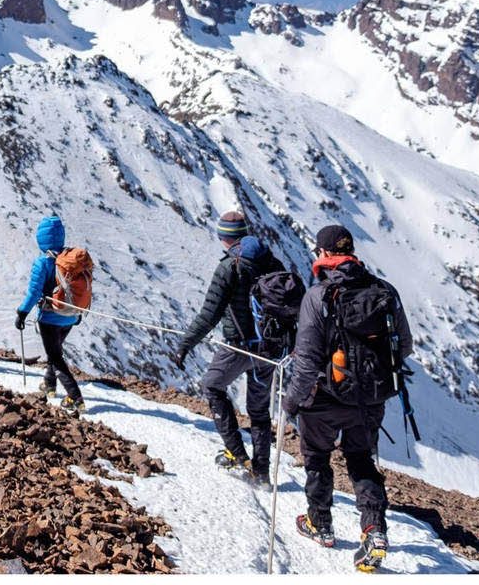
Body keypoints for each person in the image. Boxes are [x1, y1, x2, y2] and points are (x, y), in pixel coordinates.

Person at [283, 224, 413, 571]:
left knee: (317, 458)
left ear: (324, 255)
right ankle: (374, 531)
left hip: (323, 399)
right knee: (360, 460)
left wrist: (291, 401)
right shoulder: (385, 291)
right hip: (369, 398)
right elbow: (405, 344)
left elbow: (307, 359)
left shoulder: (317, 296)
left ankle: (320, 524)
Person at [171, 211, 285, 486]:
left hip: (238, 347)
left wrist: (185, 344)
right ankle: (261, 472)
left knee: (211, 386)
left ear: (223, 238)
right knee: (259, 411)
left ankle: (236, 453)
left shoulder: (229, 267)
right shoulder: (271, 261)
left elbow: (210, 314)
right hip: (269, 350)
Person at [15, 215, 85, 414]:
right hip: (70, 317)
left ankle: (75, 396)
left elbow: (34, 292)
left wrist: (22, 313)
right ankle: (49, 384)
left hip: (50, 318)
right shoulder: (72, 259)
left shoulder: (43, 262)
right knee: (55, 350)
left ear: (41, 238)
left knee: (55, 356)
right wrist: (78, 311)